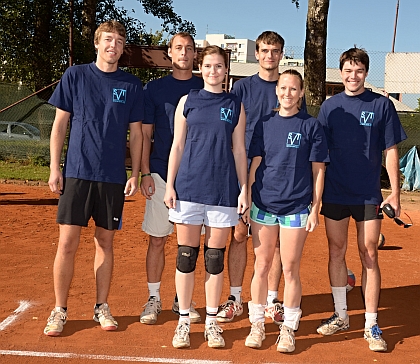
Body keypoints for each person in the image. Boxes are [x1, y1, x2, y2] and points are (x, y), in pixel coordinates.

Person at [43, 20, 144, 337]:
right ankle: (59, 310)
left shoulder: (131, 85)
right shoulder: (75, 75)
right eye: (108, 40)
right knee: (67, 243)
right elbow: (60, 124)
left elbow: (138, 134)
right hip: (76, 173)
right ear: (98, 44)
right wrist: (54, 168)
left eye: (119, 40)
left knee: (105, 242)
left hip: (112, 177)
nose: (113, 45)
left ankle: (101, 306)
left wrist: (136, 173)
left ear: (122, 47)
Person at [316, 47, 407, 352]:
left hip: (368, 193)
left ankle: (371, 323)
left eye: (358, 71)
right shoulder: (330, 108)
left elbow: (391, 150)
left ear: (366, 73)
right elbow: (319, 156)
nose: (352, 76)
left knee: (369, 253)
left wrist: (393, 191)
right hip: (335, 192)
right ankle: (341, 315)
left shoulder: (381, 105)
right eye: (347, 71)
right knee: (336, 251)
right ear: (340, 73)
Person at [217, 31, 305, 325]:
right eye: (265, 50)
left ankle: (271, 300)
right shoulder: (242, 88)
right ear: (257, 54)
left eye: (275, 51)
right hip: (244, 171)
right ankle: (235, 296)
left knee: (276, 243)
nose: (269, 56)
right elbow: (231, 128)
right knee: (240, 234)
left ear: (281, 55)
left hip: (278, 180)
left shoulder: (289, 88)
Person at [164, 45, 248, 349]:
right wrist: (170, 185)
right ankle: (184, 321)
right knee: (186, 256)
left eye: (219, 66)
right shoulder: (188, 101)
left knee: (214, 259)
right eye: (209, 66)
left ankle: (212, 322)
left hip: (223, 191)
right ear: (202, 69)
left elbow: (239, 150)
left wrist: (244, 189)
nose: (214, 71)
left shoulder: (235, 105)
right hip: (188, 188)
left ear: (226, 70)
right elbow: (177, 146)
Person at [245, 70, 328, 352]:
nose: (288, 93)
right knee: (262, 265)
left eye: (294, 89)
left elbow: (318, 171)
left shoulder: (311, 126)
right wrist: (246, 195)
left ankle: (289, 328)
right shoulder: (264, 124)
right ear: (276, 91)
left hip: (296, 208)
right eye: (283, 88)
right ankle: (257, 323)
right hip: (263, 205)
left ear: (301, 93)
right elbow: (255, 164)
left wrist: (315, 208)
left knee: (291, 269)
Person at [139, 32, 203, 325]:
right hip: (161, 175)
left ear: (195, 55)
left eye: (189, 48)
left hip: (196, 179)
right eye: (179, 48)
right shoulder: (154, 89)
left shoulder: (206, 87)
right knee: (157, 240)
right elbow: (145, 134)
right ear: (170, 53)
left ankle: (182, 299)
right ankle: (154, 298)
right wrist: (144, 172)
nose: (184, 52)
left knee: (188, 245)